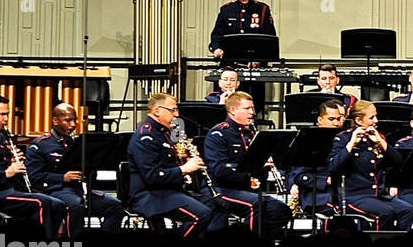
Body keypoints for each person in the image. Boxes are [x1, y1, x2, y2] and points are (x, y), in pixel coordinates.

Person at [127, 93, 228, 237]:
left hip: (169, 190)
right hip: (150, 194)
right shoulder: (146, 137)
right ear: (157, 111)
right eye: (172, 110)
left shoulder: (166, 131)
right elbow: (153, 176)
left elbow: (170, 162)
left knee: (216, 205)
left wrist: (186, 162)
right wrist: (184, 169)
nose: (176, 115)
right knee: (201, 215)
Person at [0, 95, 72, 239]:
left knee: (58, 205)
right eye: (2, 114)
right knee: (42, 203)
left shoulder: (2, 135)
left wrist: (14, 158)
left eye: (7, 114)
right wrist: (7, 173)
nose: (6, 119)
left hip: (12, 189)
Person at [25, 103, 125, 235]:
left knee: (115, 205)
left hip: (79, 189)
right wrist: (63, 178)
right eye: (68, 120)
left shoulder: (77, 143)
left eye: (75, 120)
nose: (73, 125)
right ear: (55, 121)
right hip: (55, 191)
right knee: (75, 205)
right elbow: (35, 178)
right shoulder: (40, 145)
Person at [203, 91, 291, 238]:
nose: (252, 113)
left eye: (253, 108)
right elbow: (219, 170)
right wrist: (254, 166)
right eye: (247, 109)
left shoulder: (250, 134)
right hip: (222, 189)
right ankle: (249, 245)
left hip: (246, 189)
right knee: (256, 204)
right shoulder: (218, 134)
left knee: (281, 210)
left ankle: (244, 236)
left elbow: (258, 169)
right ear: (232, 110)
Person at [328, 100, 413, 231]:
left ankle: (398, 245)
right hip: (355, 196)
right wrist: (351, 144)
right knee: (386, 213)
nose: (376, 121)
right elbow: (333, 166)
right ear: (358, 120)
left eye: (376, 116)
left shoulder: (376, 137)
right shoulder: (343, 138)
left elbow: (398, 162)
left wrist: (381, 142)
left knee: (408, 210)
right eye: (371, 117)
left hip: (378, 194)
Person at [286, 100, 347, 223]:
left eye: (339, 119)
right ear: (319, 120)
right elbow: (300, 176)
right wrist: (327, 181)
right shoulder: (308, 141)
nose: (336, 123)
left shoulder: (346, 139)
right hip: (319, 195)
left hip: (344, 192)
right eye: (331, 119)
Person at [209, 0, 275, 60]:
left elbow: (270, 40)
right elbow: (216, 37)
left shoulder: (262, 9)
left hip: (254, 62)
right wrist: (217, 49)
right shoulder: (226, 10)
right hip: (230, 62)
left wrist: (259, 60)